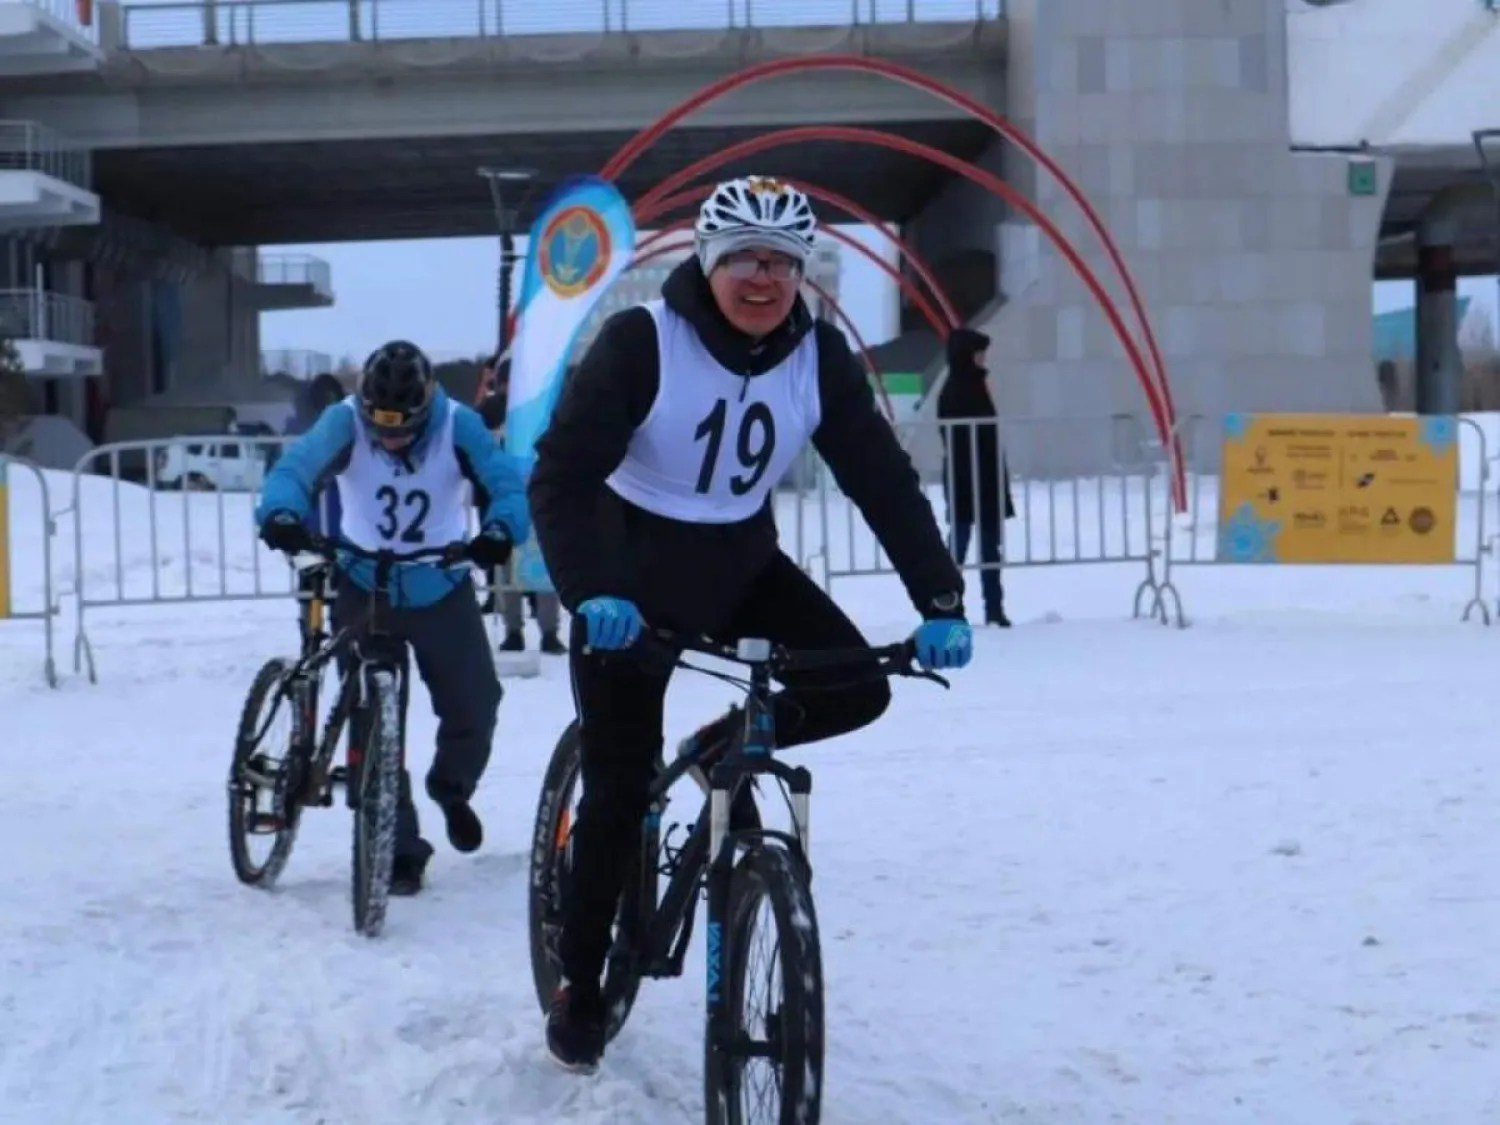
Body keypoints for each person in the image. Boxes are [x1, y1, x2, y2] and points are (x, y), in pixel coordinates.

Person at [528, 175, 975, 1072]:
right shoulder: (642, 342)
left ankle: (721, 740)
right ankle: (581, 977)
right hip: (628, 569)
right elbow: (562, 478)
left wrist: (939, 599)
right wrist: (593, 592)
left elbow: (879, 480)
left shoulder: (818, 358)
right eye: (744, 259)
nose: (764, 278)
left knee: (856, 685)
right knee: (618, 791)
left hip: (739, 562)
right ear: (709, 262)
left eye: (782, 261)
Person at [254, 341, 528, 896]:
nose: (390, 438)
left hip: (440, 586)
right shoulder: (344, 421)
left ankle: (451, 788)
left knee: (476, 705)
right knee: (373, 719)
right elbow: (295, 470)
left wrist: (500, 531)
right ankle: (398, 846)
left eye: (403, 428)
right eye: (380, 427)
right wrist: (281, 514)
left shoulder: (459, 424)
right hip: (364, 584)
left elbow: (505, 485)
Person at [476, 354, 565, 654]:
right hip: (505, 501)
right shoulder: (490, 411)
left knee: (544, 567)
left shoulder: (544, 406)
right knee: (506, 568)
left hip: (541, 498)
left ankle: (549, 631)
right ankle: (513, 629)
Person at [937, 327, 1014, 628]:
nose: (983, 358)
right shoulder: (958, 390)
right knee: (960, 546)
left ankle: (993, 608)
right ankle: (947, 605)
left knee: (988, 547)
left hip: (984, 479)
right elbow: (963, 437)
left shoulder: (974, 385)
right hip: (968, 480)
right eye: (979, 353)